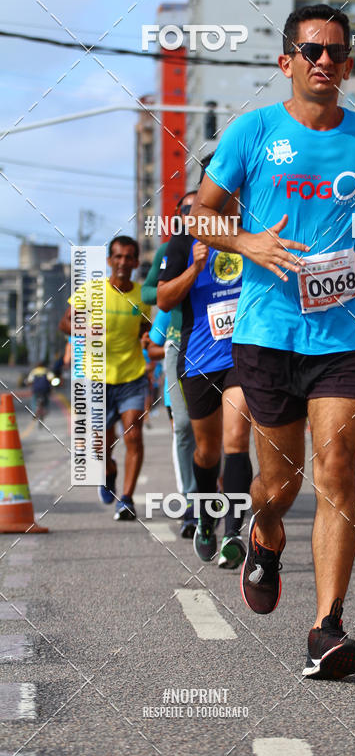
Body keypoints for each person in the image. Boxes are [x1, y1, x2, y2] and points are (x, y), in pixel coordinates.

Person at [188, 3, 355, 679]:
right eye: (310, 51)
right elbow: (199, 214)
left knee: (337, 467)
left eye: (335, 53)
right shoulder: (252, 132)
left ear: (349, 65)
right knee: (278, 484)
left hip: (349, 336)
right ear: (285, 61)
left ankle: (328, 627)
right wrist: (247, 239)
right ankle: (263, 537)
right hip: (269, 336)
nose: (324, 61)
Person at [157, 182, 253, 567]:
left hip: (243, 356)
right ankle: (204, 518)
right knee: (206, 449)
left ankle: (233, 531)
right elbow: (163, 298)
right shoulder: (183, 241)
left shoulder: (250, 231)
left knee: (236, 438)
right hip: (198, 359)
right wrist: (195, 267)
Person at [59, 236, 151, 520]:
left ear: (136, 262)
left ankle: (126, 499)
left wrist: (148, 339)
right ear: (110, 261)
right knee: (101, 446)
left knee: (133, 435)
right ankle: (108, 473)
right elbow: (64, 322)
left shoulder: (141, 296)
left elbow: (144, 330)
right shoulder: (91, 291)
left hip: (131, 376)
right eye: (118, 257)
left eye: (129, 257)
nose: (123, 262)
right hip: (96, 379)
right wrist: (83, 330)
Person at [141, 196, 197, 517]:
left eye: (198, 206)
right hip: (179, 342)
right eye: (187, 209)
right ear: (178, 215)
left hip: (223, 345)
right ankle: (191, 499)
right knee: (184, 425)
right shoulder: (170, 249)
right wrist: (176, 286)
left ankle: (224, 498)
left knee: (229, 429)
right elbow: (151, 292)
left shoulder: (227, 239)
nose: (193, 213)